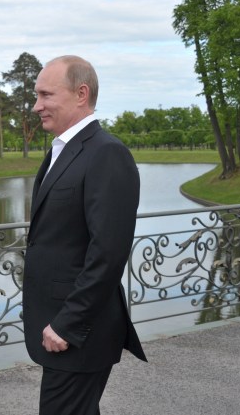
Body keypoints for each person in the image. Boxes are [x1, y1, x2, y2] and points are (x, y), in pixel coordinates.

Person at [23, 55, 147, 415]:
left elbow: (108, 253)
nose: (36, 106)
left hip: (78, 333)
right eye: (36, 95)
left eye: (46, 95)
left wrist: (67, 324)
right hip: (61, 328)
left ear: (81, 94)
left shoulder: (107, 153)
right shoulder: (62, 151)